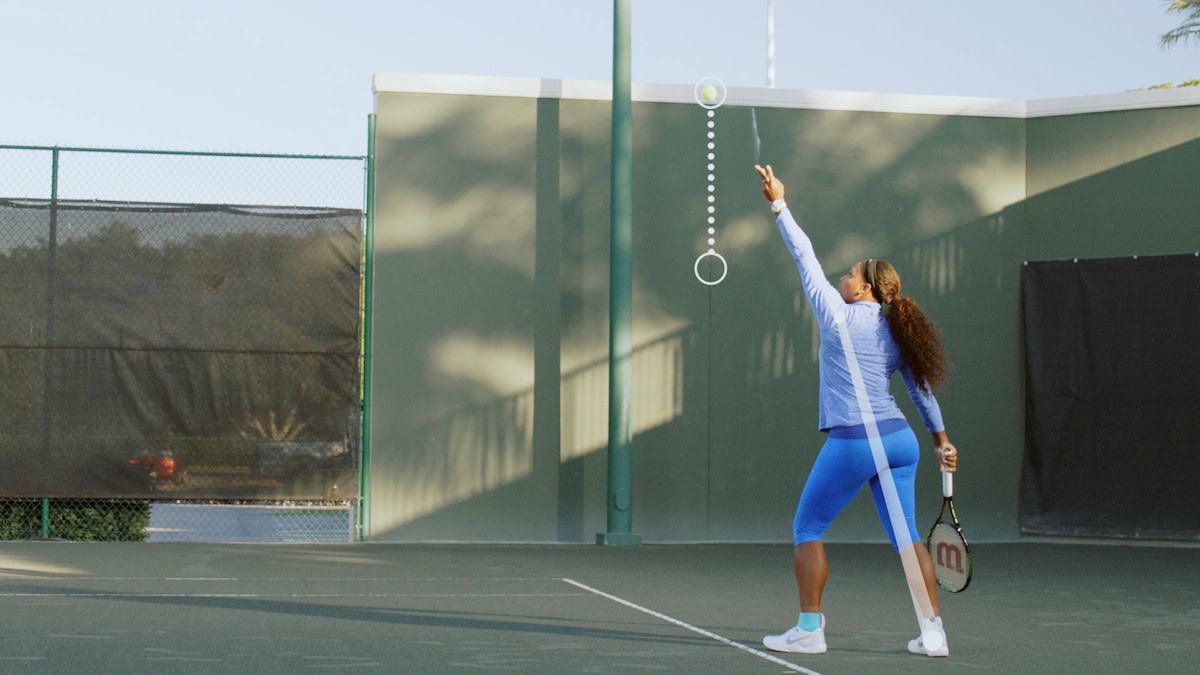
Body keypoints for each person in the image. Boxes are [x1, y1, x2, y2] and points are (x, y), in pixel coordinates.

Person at [754, 164, 958, 658]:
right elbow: (922, 392)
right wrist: (941, 443)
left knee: (807, 529)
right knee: (907, 536)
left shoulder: (835, 312)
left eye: (849, 274)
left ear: (864, 289)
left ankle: (809, 630)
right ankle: (934, 633)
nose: (842, 277)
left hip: (855, 442)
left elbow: (803, 255)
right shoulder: (896, 332)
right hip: (901, 442)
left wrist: (779, 203)